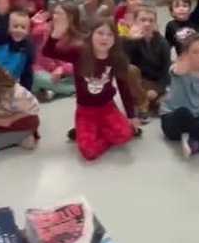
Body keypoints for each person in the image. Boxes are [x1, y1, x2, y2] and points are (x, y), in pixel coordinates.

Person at [42, 19, 139, 161]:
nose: (104, 38)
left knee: (125, 135)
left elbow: (124, 89)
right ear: (91, 35)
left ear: (115, 39)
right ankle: (88, 133)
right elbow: (48, 51)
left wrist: (131, 115)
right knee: (89, 152)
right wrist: (54, 35)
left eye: (110, 35)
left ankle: (94, 132)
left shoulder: (117, 58)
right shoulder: (79, 53)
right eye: (100, 33)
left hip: (108, 108)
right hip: (85, 111)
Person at [122, 7, 170, 122]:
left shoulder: (162, 43)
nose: (147, 24)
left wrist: (157, 89)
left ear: (155, 24)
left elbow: (166, 71)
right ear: (135, 22)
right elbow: (123, 63)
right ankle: (143, 103)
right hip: (136, 81)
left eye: (151, 21)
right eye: (142, 20)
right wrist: (130, 40)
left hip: (154, 82)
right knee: (129, 69)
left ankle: (145, 102)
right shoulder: (129, 40)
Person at [32, 1, 80, 100]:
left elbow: (80, 61)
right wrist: (33, 23)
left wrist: (62, 69)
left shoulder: (78, 36)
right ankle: (74, 89)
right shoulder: (44, 29)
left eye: (60, 13)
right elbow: (28, 36)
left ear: (71, 17)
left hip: (65, 74)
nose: (55, 16)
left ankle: (54, 89)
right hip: (43, 72)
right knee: (37, 77)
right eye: (55, 13)